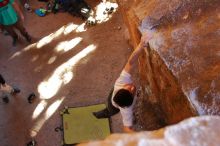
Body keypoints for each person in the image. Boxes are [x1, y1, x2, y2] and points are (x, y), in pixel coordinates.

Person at [93, 32, 153, 132]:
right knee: (110, 111)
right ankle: (100, 115)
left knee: (109, 101)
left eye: (128, 88)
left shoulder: (121, 82)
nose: (132, 87)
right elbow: (127, 128)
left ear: (122, 88)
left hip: (113, 94)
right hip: (114, 106)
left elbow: (130, 62)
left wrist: (140, 45)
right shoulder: (126, 110)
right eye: (132, 91)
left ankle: (103, 111)